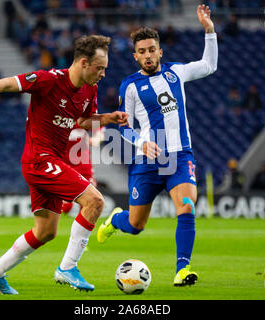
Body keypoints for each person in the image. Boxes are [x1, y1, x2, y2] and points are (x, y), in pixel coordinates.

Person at [0, 35, 129, 294]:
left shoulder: (90, 90)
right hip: (39, 160)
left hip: (53, 161)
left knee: (46, 231)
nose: (103, 74)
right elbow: (8, 84)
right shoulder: (49, 80)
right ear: (84, 63)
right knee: (95, 201)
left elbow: (83, 122)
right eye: (100, 68)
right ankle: (67, 268)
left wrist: (107, 118)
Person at [97, 4, 218, 287]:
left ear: (160, 52)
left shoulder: (176, 72)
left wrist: (209, 30)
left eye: (152, 49)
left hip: (179, 156)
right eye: (142, 51)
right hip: (147, 162)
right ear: (135, 56)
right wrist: (142, 143)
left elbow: (209, 65)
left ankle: (182, 269)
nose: (148, 55)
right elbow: (124, 127)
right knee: (136, 225)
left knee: (187, 207)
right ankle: (116, 220)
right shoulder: (129, 86)